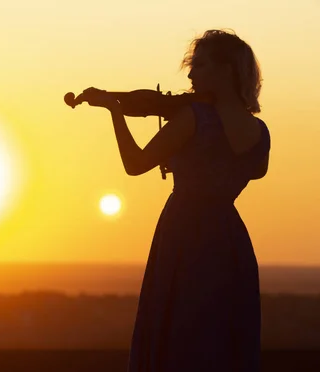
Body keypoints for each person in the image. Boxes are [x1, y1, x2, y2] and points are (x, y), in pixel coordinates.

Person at [78, 29, 270, 371]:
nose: (192, 75)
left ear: (226, 70)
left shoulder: (194, 118)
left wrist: (114, 110)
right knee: (224, 333)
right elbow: (252, 171)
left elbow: (135, 164)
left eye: (200, 65)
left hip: (184, 232)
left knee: (175, 329)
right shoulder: (260, 133)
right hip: (230, 239)